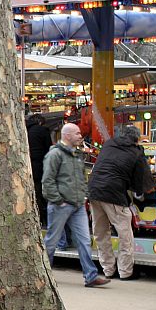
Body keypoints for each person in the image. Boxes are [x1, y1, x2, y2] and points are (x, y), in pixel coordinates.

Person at [42, 123, 110, 288]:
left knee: (84, 240)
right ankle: (44, 276)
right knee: (52, 241)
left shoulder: (74, 154)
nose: (81, 136)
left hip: (76, 204)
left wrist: (82, 196)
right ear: (67, 136)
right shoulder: (56, 155)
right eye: (77, 133)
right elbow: (47, 181)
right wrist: (59, 200)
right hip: (62, 205)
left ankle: (91, 276)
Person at [88, 125, 152, 280]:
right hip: (114, 194)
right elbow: (142, 181)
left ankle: (108, 269)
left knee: (101, 232)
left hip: (94, 191)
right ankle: (125, 271)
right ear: (136, 139)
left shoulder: (109, 144)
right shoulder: (136, 152)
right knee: (125, 234)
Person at [26, 114, 53, 226]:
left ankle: (36, 216)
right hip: (40, 166)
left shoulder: (26, 130)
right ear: (41, 122)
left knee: (33, 192)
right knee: (43, 193)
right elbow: (49, 148)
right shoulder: (42, 130)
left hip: (28, 165)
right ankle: (44, 218)